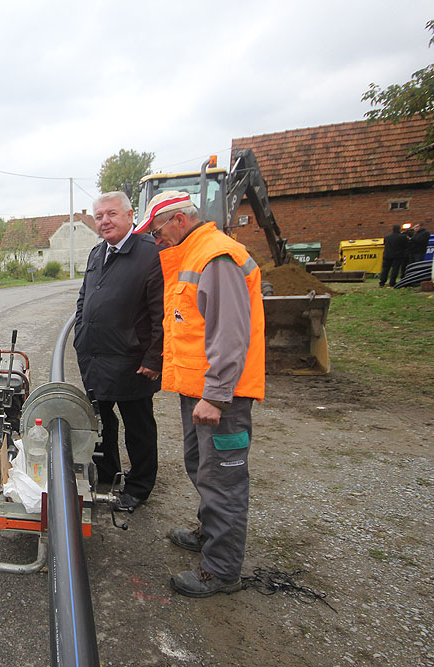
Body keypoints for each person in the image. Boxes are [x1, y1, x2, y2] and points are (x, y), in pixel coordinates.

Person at [135, 191, 265, 598]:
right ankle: (211, 535)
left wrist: (218, 394)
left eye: (157, 232)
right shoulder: (192, 254)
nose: (156, 241)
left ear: (177, 220)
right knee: (201, 468)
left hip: (219, 398)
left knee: (224, 480)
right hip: (199, 392)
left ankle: (222, 570)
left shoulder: (216, 257)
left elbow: (230, 332)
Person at [73, 191, 163, 512]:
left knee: (137, 427)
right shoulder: (97, 253)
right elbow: (85, 299)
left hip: (132, 362)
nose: (104, 221)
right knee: (101, 423)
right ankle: (108, 474)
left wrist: (154, 358)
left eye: (111, 214)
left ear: (129, 216)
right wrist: (81, 336)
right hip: (95, 358)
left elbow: (159, 312)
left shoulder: (150, 254)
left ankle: (139, 486)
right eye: (99, 216)